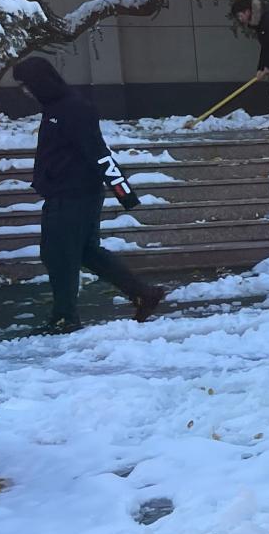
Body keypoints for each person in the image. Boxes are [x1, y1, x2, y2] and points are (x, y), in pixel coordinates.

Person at [13, 57, 165, 331]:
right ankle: (144, 293)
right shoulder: (55, 107)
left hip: (74, 195)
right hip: (64, 192)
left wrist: (124, 192)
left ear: (40, 82)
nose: (25, 92)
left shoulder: (74, 109)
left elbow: (98, 152)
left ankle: (65, 318)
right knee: (86, 252)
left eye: (26, 85)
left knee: (59, 254)